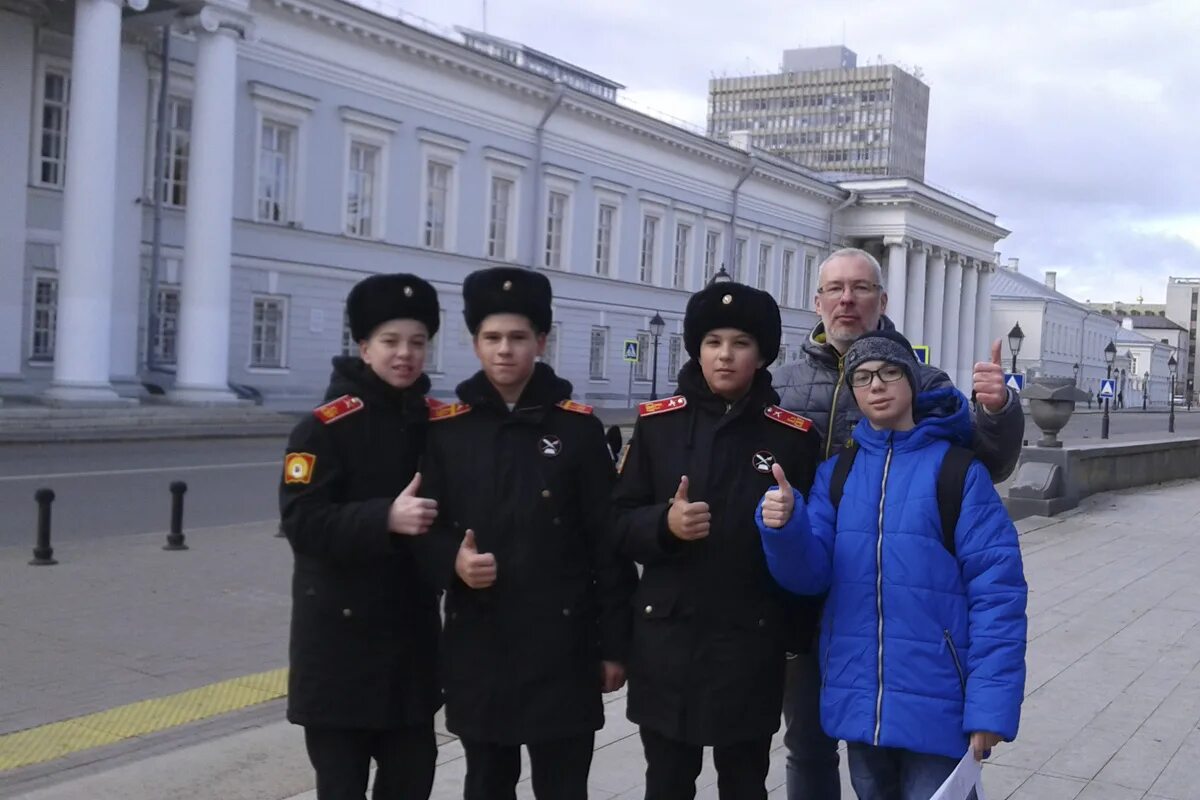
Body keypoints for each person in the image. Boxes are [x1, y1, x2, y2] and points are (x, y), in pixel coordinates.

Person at [769, 247, 1026, 799]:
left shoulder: (929, 384)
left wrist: (998, 411)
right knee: (810, 745)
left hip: (912, 616)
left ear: (882, 300)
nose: (846, 299)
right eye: (835, 288)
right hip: (811, 592)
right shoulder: (784, 383)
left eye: (860, 288)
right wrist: (777, 526)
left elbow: (987, 469)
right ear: (817, 301)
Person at [420, 266, 636, 800]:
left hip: (564, 648)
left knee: (563, 786)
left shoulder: (578, 429)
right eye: (491, 338)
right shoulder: (448, 431)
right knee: (486, 783)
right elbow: (421, 530)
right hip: (480, 647)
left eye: (518, 338)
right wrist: (453, 561)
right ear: (474, 343)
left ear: (541, 341)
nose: (504, 350)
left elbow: (606, 545)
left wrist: (614, 647)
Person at [611, 281, 822, 800]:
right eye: (713, 342)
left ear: (763, 353)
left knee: (745, 783)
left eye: (741, 343)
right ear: (697, 349)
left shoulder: (793, 437)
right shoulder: (659, 426)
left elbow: (816, 543)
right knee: (666, 781)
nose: (725, 355)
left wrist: (792, 521)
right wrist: (665, 525)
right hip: (667, 642)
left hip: (749, 642)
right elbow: (617, 524)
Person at [279, 273, 446, 800]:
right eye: (391, 342)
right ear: (364, 347)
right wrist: (384, 518)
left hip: (410, 651)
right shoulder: (323, 428)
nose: (405, 355)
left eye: (417, 343)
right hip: (339, 656)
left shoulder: (435, 423)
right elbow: (301, 522)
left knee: (412, 781)